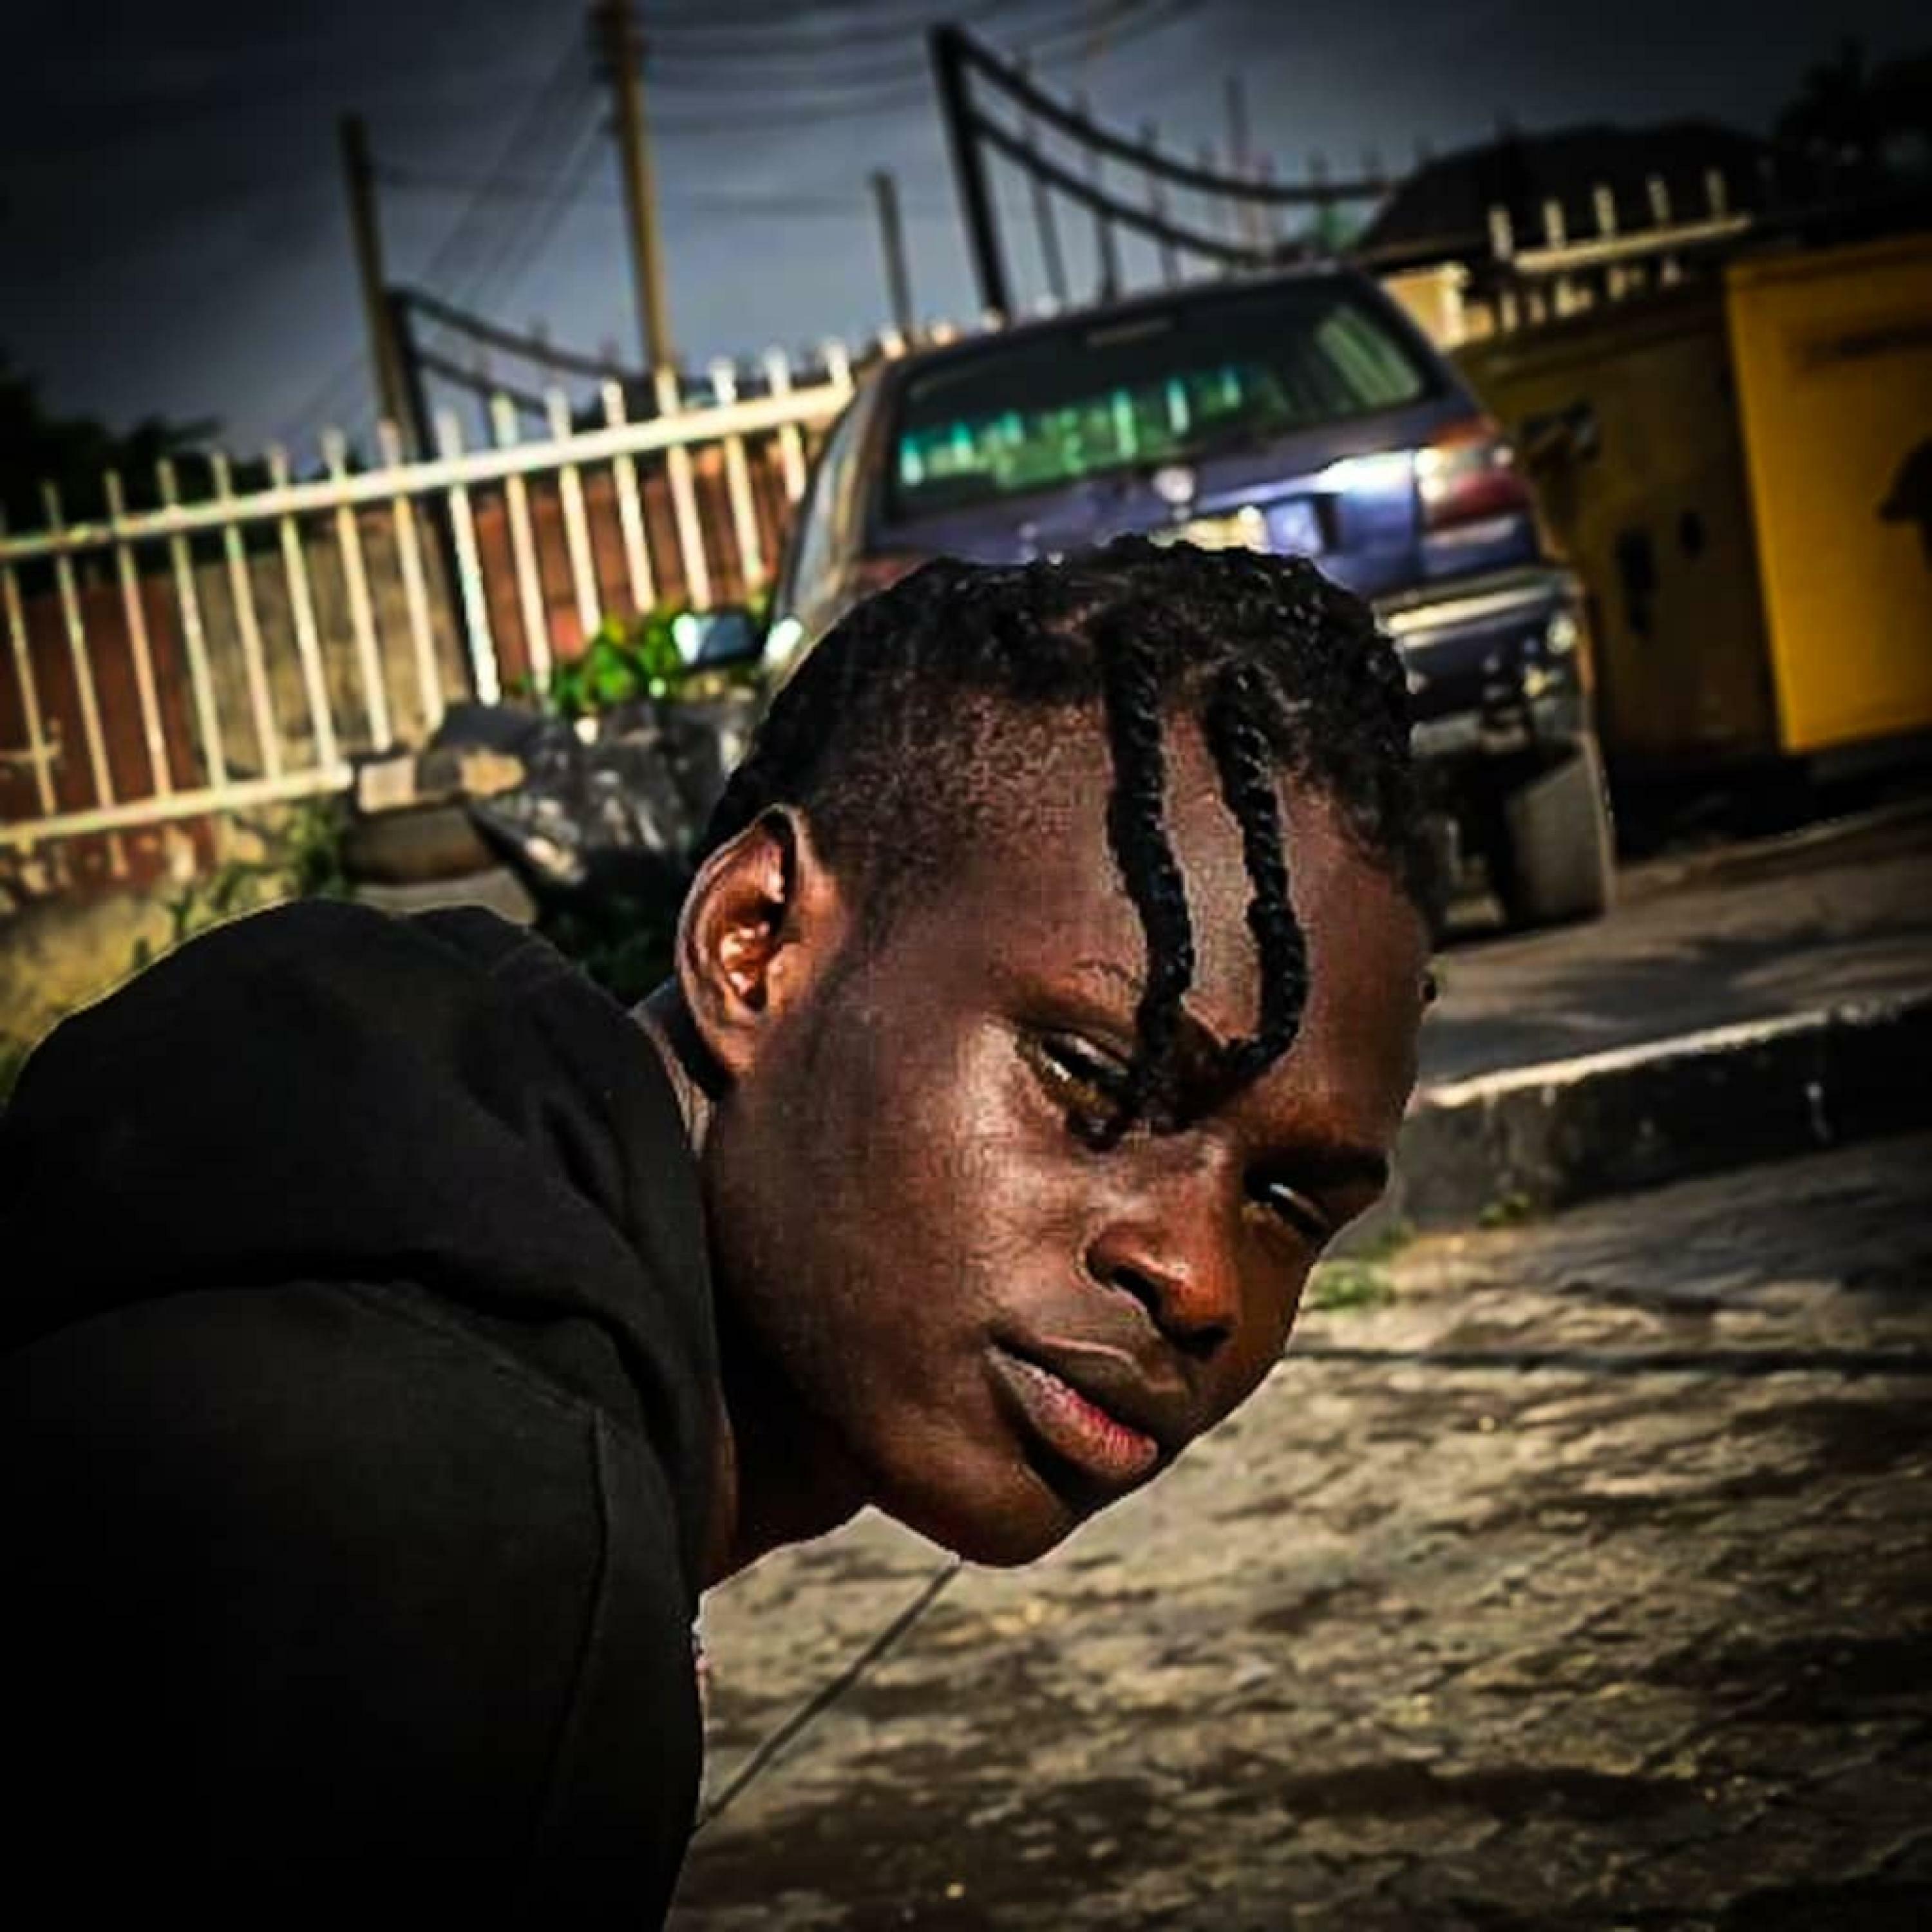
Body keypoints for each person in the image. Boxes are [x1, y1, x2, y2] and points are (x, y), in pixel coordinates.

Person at [0, 538, 1432, 1915]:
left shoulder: (353, 1214)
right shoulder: (457, 1548)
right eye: (1092, 1080)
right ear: (755, 945)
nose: (1199, 1281)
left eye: (1287, 1205)